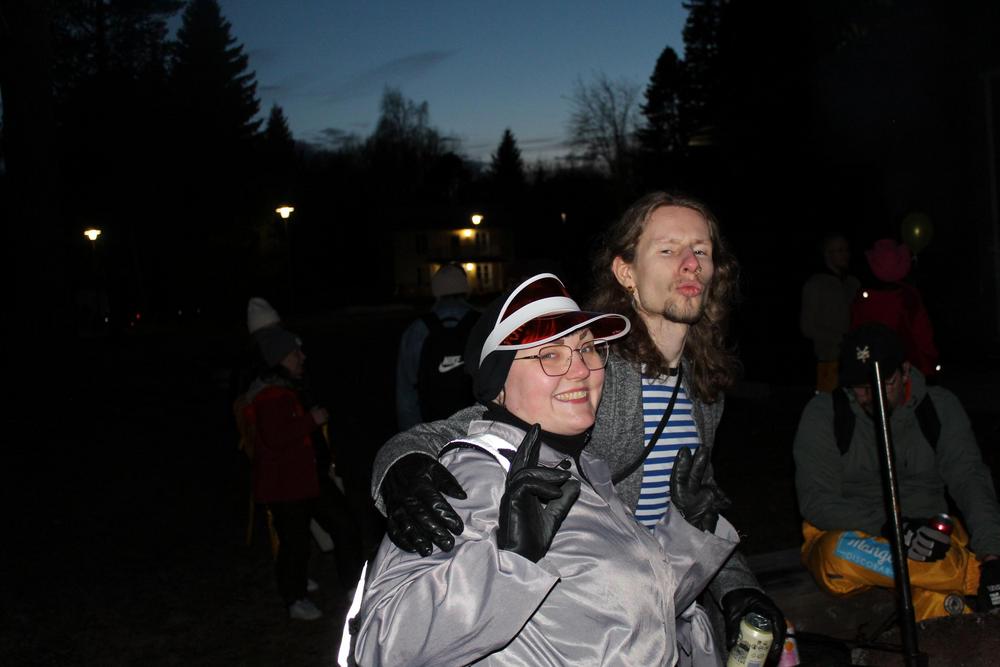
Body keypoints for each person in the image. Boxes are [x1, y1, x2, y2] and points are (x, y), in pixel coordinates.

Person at [370, 192, 786, 661]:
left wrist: (736, 587)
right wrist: (401, 468)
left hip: (664, 602)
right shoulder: (592, 375)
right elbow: (478, 426)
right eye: (668, 249)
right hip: (581, 622)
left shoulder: (702, 384)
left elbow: (698, 494)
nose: (690, 263)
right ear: (626, 272)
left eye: (701, 250)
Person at [349, 273, 738, 666]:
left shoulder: (583, 471)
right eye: (550, 354)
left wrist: (691, 535)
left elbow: (631, 618)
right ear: (498, 384)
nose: (581, 369)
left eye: (587, 348)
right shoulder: (474, 478)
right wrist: (508, 562)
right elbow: (382, 646)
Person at [793, 322, 1000, 621]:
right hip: (857, 543)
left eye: (883, 382)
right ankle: (971, 575)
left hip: (929, 541)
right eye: (860, 387)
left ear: (904, 371)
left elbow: (970, 479)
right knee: (837, 553)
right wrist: (894, 528)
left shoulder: (938, 407)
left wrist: (992, 553)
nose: (870, 395)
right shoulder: (825, 414)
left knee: (939, 600)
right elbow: (817, 501)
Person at [246, 325, 362, 620]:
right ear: (278, 359)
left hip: (310, 478)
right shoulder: (269, 396)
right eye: (294, 353)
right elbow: (276, 437)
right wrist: (311, 420)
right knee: (294, 543)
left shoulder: (290, 387)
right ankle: (294, 597)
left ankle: (353, 585)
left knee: (343, 523)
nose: (302, 356)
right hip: (285, 486)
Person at [396, 263, 480, 430]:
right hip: (475, 429)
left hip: (431, 429)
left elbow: (406, 394)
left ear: (436, 291)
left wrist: (411, 435)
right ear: (466, 289)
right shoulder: (482, 324)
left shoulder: (416, 330)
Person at [851, 238, 938, 378]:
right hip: (904, 366)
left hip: (879, 366)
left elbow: (857, 334)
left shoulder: (864, 298)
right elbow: (922, 333)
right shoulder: (908, 296)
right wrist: (929, 365)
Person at [800, 233, 860, 392]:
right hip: (829, 361)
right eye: (840, 250)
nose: (845, 254)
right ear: (827, 254)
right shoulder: (816, 284)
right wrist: (841, 339)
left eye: (846, 250)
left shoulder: (853, 283)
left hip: (856, 358)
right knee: (830, 403)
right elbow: (807, 327)